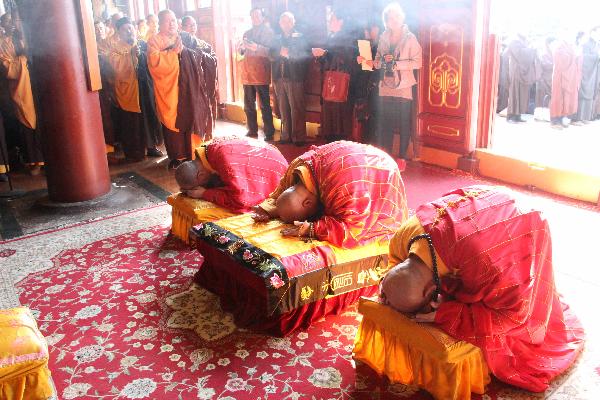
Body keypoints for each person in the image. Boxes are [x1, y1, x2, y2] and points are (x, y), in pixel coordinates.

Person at [378, 186, 585, 393]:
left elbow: (512, 316)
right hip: (480, 215)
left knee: (512, 330)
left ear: (431, 290)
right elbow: (398, 271)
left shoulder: (488, 268)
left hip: (523, 221)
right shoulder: (402, 237)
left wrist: (447, 314)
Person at [252, 140, 408, 248]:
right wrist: (266, 209)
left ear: (307, 203)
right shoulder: (297, 167)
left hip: (382, 170)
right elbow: (281, 192)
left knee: (373, 225)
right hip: (350, 159)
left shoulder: (342, 190)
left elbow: (352, 228)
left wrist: (312, 229)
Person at [147, 10, 218, 169]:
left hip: (189, 87)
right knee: (174, 120)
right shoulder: (154, 41)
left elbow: (205, 51)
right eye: (167, 21)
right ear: (160, 23)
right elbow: (154, 63)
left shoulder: (185, 37)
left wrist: (188, 54)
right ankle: (178, 156)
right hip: (170, 88)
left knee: (192, 114)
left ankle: (194, 152)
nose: (172, 24)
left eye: (173, 20)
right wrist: (173, 53)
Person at [175, 136, 288, 213]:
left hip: (277, 169)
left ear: (201, 175)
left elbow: (240, 200)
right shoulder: (207, 150)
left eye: (195, 187)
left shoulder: (226, 164)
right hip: (267, 153)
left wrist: (204, 193)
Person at [369, 3, 421, 160]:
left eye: (397, 16)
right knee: (386, 121)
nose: (394, 20)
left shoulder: (411, 38)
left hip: (404, 85)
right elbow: (378, 61)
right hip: (386, 84)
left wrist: (397, 64)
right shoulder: (383, 37)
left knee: (404, 122)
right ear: (386, 21)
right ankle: (386, 157)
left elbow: (418, 62)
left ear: (402, 17)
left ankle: (402, 157)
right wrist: (373, 62)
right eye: (390, 17)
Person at [108, 17, 163, 161]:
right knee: (132, 122)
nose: (129, 32)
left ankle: (151, 147)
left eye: (130, 28)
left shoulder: (142, 44)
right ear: (118, 33)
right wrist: (131, 55)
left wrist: (141, 55)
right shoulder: (115, 49)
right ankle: (135, 153)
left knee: (149, 116)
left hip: (145, 87)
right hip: (130, 90)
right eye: (125, 30)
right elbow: (117, 69)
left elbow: (153, 61)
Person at [0, 12, 43, 175]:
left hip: (37, 83)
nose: (12, 24)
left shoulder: (30, 38)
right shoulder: (3, 43)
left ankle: (46, 158)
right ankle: (34, 161)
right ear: (3, 26)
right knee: (25, 122)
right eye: (7, 22)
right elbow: (6, 66)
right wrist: (23, 60)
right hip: (20, 86)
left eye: (15, 21)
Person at [312, 8, 358, 142]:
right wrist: (320, 56)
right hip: (330, 83)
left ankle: (338, 146)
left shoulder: (348, 38)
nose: (329, 22)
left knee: (339, 120)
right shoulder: (332, 36)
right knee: (330, 117)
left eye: (332, 19)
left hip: (342, 85)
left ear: (341, 21)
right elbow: (328, 60)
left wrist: (325, 54)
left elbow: (346, 60)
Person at [270, 12, 309, 145]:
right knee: (283, 109)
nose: (286, 24)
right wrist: (279, 53)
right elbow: (271, 54)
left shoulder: (300, 37)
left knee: (296, 108)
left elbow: (305, 54)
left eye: (288, 21)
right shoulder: (276, 38)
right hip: (279, 77)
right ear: (280, 24)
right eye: (283, 22)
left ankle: (299, 137)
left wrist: (289, 54)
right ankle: (286, 136)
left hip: (295, 77)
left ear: (293, 22)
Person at [239, 8, 275, 140]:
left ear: (263, 17)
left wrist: (256, 48)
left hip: (261, 73)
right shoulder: (247, 32)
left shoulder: (269, 32)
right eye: (252, 16)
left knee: (264, 104)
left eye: (257, 15)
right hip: (247, 73)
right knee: (248, 104)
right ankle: (252, 129)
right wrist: (242, 48)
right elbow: (241, 53)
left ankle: (269, 131)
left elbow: (272, 52)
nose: (255, 18)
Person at [354, 18, 382, 145]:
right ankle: (365, 144)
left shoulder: (382, 44)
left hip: (376, 86)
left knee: (374, 118)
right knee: (364, 118)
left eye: (373, 28)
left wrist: (368, 62)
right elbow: (363, 68)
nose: (371, 31)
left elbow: (378, 67)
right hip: (365, 86)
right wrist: (360, 60)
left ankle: (373, 144)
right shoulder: (367, 44)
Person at [505, 33, 537, 123]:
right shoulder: (514, 41)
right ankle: (510, 116)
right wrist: (531, 49)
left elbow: (527, 56)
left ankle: (517, 116)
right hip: (516, 71)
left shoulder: (523, 42)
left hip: (522, 72)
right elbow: (520, 55)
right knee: (515, 94)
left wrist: (531, 49)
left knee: (521, 95)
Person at [550, 38, 580, 129]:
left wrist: (575, 55)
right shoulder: (559, 47)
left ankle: (561, 119)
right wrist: (573, 55)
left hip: (568, 76)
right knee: (558, 98)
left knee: (565, 98)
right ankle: (555, 121)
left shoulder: (570, 47)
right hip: (559, 77)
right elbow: (560, 61)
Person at [575, 27, 600, 123]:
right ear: (592, 33)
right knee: (584, 93)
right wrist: (597, 57)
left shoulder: (597, 44)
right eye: (597, 32)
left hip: (595, 73)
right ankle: (579, 117)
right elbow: (584, 58)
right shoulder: (586, 44)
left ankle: (587, 117)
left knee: (592, 93)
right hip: (587, 73)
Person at [535, 37, 555, 110]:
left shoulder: (553, 53)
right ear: (548, 44)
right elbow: (544, 66)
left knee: (548, 100)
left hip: (551, 80)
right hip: (543, 81)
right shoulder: (544, 54)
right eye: (553, 44)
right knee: (542, 101)